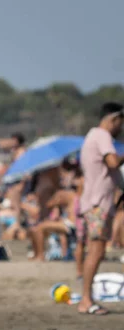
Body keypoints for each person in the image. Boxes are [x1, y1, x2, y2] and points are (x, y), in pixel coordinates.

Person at [77, 102, 124, 315]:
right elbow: (113, 162)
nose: (121, 128)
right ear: (113, 119)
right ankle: (86, 300)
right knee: (96, 251)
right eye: (120, 122)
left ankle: (87, 299)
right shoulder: (102, 135)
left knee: (97, 250)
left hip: (96, 202)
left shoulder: (92, 135)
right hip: (98, 204)